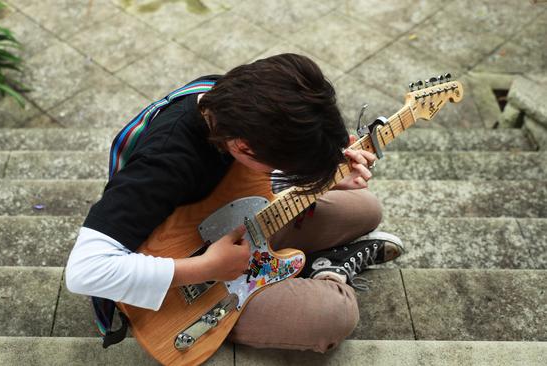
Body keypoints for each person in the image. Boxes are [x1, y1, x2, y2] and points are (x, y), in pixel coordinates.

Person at [65, 53, 404, 353]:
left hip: (228, 221)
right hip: (183, 290)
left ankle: (307, 264)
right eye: (278, 164)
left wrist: (325, 169)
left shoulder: (231, 101)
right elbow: (84, 272)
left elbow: (248, 177)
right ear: (243, 147)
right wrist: (207, 268)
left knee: (366, 208)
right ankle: (327, 272)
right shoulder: (165, 162)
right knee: (336, 314)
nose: (282, 171)